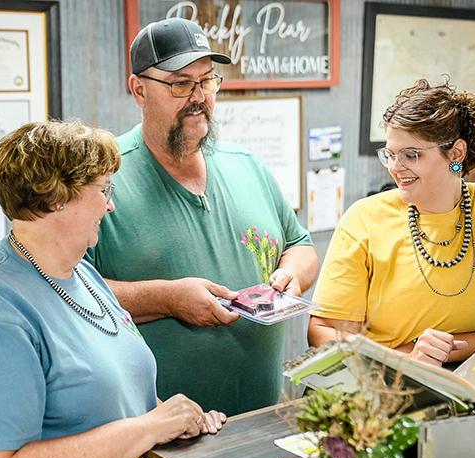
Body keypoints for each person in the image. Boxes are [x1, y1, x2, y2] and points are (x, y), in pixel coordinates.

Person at [0, 121, 225, 458]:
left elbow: (117, 399)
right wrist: (150, 428)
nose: (110, 206)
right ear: (57, 199)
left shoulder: (81, 273)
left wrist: (177, 420)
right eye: (103, 190)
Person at [86, 18, 318, 415]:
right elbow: (67, 293)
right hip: (158, 436)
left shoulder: (247, 165)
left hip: (261, 418)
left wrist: (292, 275)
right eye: (180, 83)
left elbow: (301, 245)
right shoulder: (102, 176)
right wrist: (167, 299)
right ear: (139, 89)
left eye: (207, 81)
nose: (198, 97)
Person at [308, 79, 475, 367]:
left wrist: (444, 350)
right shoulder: (363, 219)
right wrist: (405, 358)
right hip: (384, 383)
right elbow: (322, 332)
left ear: (456, 153)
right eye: (391, 155)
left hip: (471, 377)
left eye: (411, 155)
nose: (396, 167)